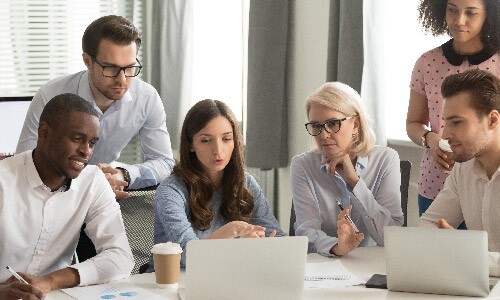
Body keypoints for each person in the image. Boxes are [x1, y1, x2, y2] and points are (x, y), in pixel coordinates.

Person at [16, 15, 175, 199]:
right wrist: (94, 180)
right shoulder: (50, 95)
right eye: (110, 68)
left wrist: (123, 174)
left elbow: (164, 163)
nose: (122, 79)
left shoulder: (147, 98)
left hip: (105, 193)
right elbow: (25, 163)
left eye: (130, 68)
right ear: (87, 61)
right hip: (51, 194)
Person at [0, 93, 134, 299]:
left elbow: (121, 257)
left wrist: (50, 280)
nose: (86, 151)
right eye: (77, 138)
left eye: (92, 143)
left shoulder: (93, 181)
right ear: (44, 133)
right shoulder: (3, 180)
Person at [147, 99, 284, 270]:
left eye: (226, 139)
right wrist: (228, 233)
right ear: (191, 144)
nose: (218, 150)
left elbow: (277, 237)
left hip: (228, 275)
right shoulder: (171, 191)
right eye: (206, 140)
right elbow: (187, 257)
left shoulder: (247, 183)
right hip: (173, 283)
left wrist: (262, 246)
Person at [406, 0, 500, 217]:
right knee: (432, 244)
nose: (459, 21)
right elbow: (413, 123)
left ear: (489, 14)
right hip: (435, 184)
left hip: (489, 187)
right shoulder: (427, 62)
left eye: (471, 13)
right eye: (452, 10)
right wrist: (431, 140)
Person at [291, 82, 404, 257]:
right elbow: (306, 231)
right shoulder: (303, 165)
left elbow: (390, 237)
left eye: (333, 123)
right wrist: (337, 247)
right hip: (326, 265)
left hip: (372, 265)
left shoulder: (386, 160)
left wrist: (355, 182)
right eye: (316, 126)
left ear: (356, 124)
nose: (324, 134)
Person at [418, 69, 500, 277]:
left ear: (492, 120)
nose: (445, 134)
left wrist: (465, 252)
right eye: (445, 123)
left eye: (457, 122)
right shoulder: (463, 169)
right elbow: (426, 228)